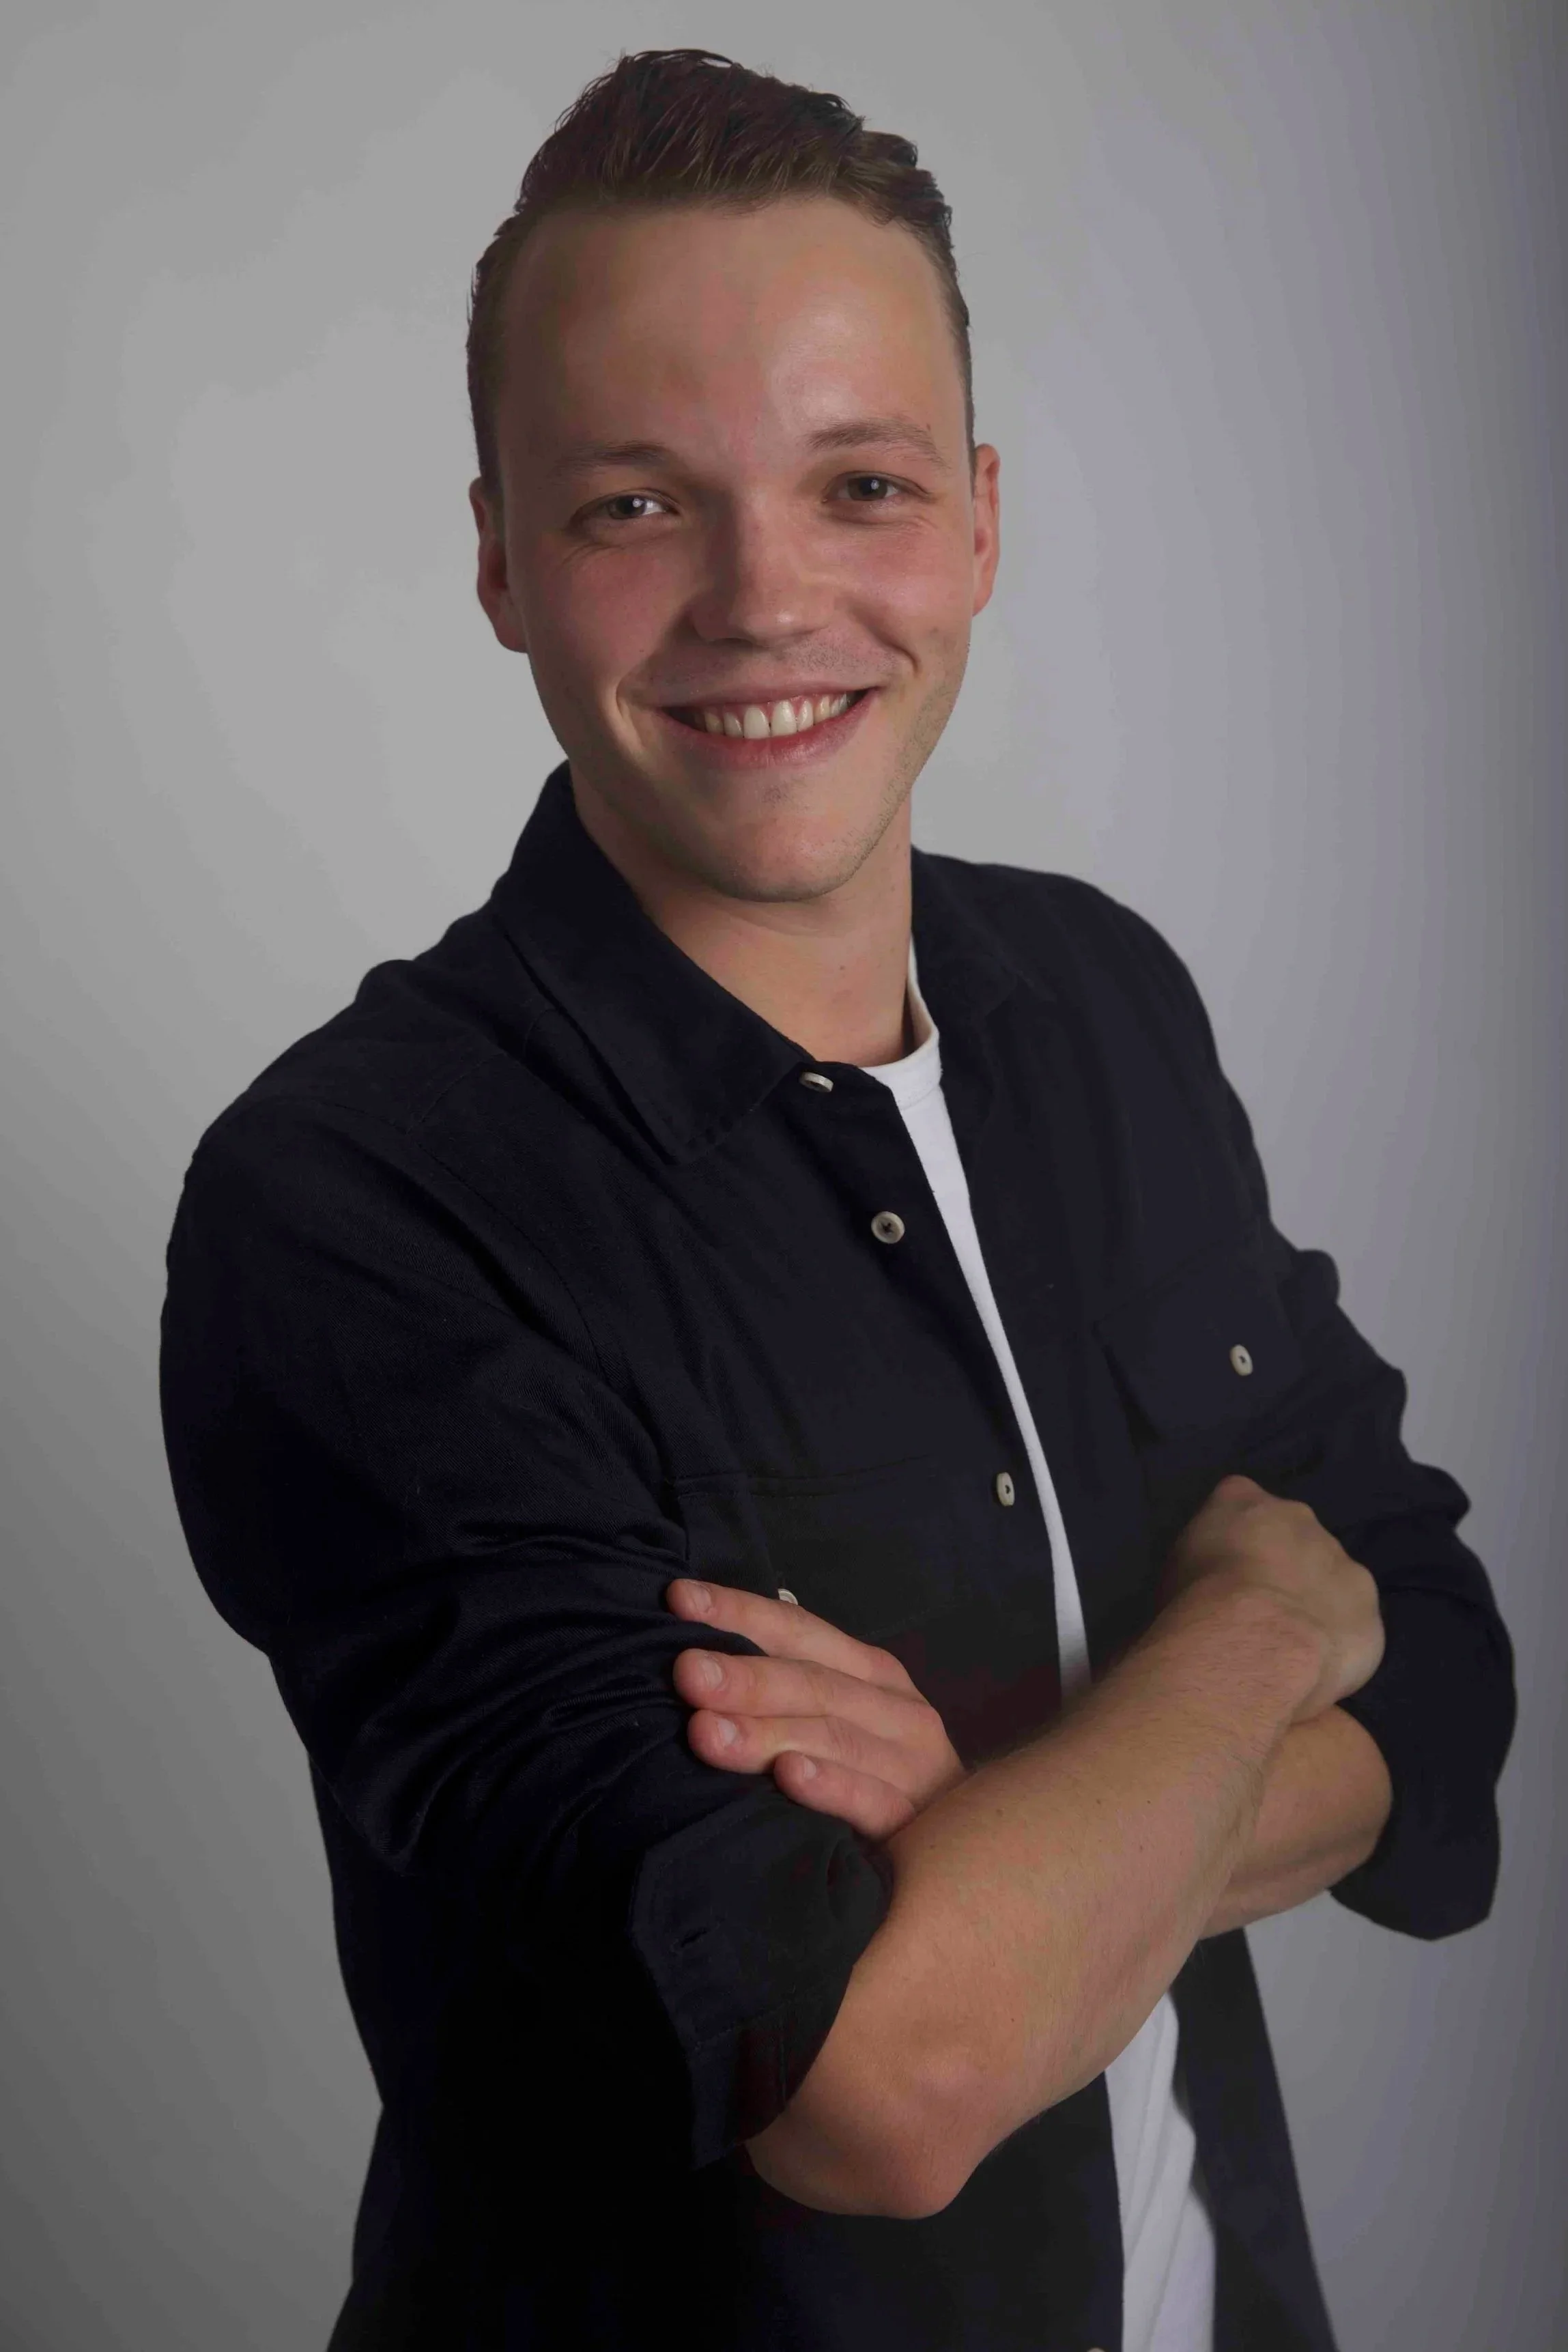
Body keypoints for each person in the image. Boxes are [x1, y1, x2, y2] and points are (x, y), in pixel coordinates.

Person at [158, 48, 1516, 2352]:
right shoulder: (357, 1201)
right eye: (631, 507)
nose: (764, 597)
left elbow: (1459, 1691)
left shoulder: (1101, 1002)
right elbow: (874, 2076)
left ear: (977, 520)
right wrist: (1247, 1637)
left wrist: (992, 1836)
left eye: (858, 480)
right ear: (498, 556)